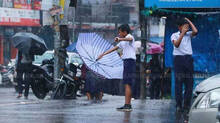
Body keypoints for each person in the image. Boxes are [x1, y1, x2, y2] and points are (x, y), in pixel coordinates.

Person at [97, 24, 136, 111]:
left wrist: (120, 39)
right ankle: (127, 104)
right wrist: (102, 54)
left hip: (130, 61)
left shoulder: (129, 37)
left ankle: (127, 105)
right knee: (127, 83)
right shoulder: (122, 43)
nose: (118, 34)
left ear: (124, 32)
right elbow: (115, 49)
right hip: (127, 61)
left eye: (120, 32)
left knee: (128, 84)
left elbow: (129, 39)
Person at [171, 17, 198, 121]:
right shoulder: (174, 35)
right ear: (179, 27)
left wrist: (189, 21)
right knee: (178, 83)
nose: (186, 27)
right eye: (184, 25)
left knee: (189, 84)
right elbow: (176, 45)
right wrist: (182, 33)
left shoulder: (189, 34)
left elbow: (195, 31)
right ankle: (178, 105)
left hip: (188, 59)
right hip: (178, 60)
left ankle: (186, 106)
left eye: (187, 26)